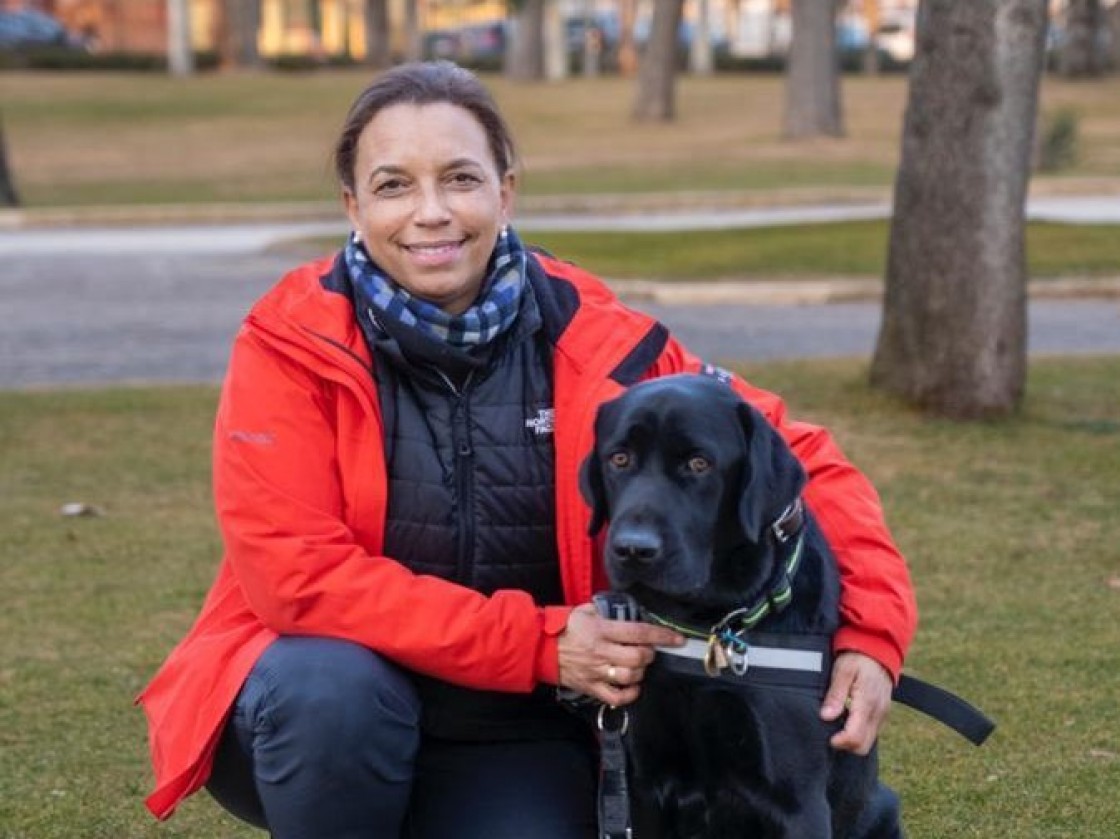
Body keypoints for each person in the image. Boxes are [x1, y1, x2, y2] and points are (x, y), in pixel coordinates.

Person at [138, 60, 917, 838]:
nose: (432, 212)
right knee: (330, 693)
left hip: (514, 727)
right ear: (353, 204)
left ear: (505, 190)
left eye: (460, 178)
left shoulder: (599, 339)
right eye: (393, 185)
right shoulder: (292, 345)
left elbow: (799, 455)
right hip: (325, 716)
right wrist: (543, 642)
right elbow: (295, 576)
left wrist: (872, 636)